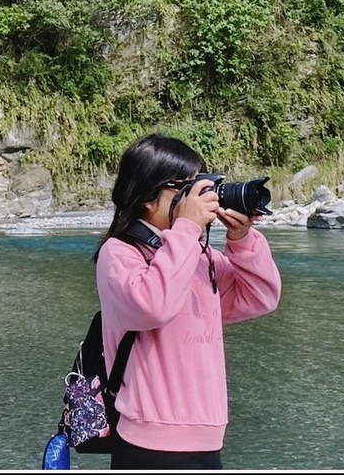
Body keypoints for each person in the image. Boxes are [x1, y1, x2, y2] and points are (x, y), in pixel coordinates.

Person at [93, 133, 282, 470]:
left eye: (200, 185)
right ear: (147, 195)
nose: (196, 198)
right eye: (184, 188)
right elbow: (153, 306)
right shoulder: (120, 253)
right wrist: (186, 229)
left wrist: (242, 239)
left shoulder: (198, 255)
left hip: (208, 438)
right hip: (147, 442)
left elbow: (260, 297)